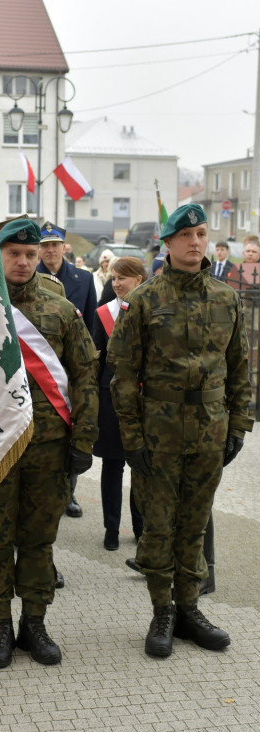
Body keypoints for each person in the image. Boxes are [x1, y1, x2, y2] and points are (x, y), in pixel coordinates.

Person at [107, 203, 253, 658]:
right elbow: (124, 378)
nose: (196, 243)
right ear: (167, 243)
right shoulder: (145, 300)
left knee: (195, 523)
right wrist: (131, 438)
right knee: (159, 527)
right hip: (160, 432)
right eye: (186, 236)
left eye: (202, 235)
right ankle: (161, 611)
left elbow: (240, 369)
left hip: (211, 429)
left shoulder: (225, 297)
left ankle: (189, 609)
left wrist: (240, 427)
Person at [0, 218, 99, 668]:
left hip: (49, 447)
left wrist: (85, 441)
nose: (22, 262)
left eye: (30, 254)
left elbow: (85, 377)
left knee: (39, 540)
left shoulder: (60, 312)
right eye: (13, 253)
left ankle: (33, 623)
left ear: (42, 257)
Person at [36, 221, 97, 520]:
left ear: (63, 246)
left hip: (69, 366)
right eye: (44, 245)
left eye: (54, 245)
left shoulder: (83, 279)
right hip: (36, 368)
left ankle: (69, 493)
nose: (49, 250)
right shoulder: (27, 277)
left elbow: (90, 324)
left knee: (70, 428)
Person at [92, 257, 147, 551]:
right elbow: (96, 361)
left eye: (122, 278)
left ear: (138, 279)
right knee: (112, 466)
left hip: (143, 402)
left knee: (140, 466)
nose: (116, 283)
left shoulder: (151, 311)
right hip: (110, 400)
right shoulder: (104, 313)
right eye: (113, 278)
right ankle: (111, 527)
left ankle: (140, 527)